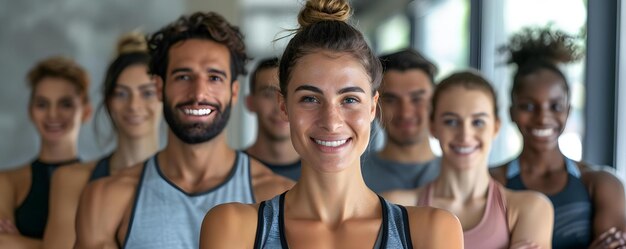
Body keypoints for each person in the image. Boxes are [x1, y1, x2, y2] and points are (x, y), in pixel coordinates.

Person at [199, 0, 463, 248]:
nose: (331, 121)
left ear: (372, 107)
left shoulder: (433, 232)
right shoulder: (233, 228)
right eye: (310, 98)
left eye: (349, 99)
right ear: (284, 106)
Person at [73, 12, 294, 249]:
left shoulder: (279, 197)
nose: (198, 93)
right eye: (183, 76)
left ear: (233, 91)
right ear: (159, 87)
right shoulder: (105, 199)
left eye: (214, 77)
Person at [490, 26, 626, 249]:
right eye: (528, 106)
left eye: (555, 106)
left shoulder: (602, 184)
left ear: (568, 111)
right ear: (512, 112)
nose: (543, 118)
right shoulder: (491, 184)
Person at [385, 70, 554, 249]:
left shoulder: (531, 209)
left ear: (496, 127)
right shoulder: (396, 206)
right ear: (433, 126)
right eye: (451, 121)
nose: (465, 135)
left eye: (478, 122)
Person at [42, 32, 162, 249]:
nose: (134, 106)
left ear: (164, 98)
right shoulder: (70, 180)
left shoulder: (183, 180)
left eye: (147, 93)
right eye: (122, 94)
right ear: (107, 102)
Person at [0, 56, 92, 248]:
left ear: (86, 111)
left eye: (65, 104)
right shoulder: (7, 182)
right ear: (30, 111)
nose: (52, 114)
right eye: (42, 104)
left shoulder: (98, 180)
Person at [362, 48, 440, 193]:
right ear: (375, 105)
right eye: (391, 99)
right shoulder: (352, 176)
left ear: (436, 102)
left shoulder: (461, 175)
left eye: (417, 99)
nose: (405, 113)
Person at [245, 57, 301, 180]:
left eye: (287, 94)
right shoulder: (227, 171)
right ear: (250, 103)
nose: (280, 108)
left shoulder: (321, 173)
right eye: (268, 95)